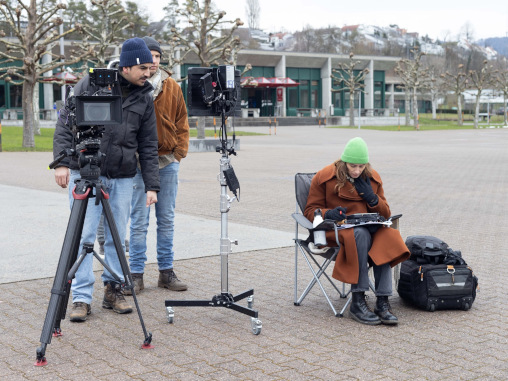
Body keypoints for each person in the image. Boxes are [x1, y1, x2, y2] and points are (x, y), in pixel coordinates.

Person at [53, 37, 160, 322]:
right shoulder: (89, 85)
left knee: (115, 237)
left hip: (123, 177)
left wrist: (152, 185)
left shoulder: (145, 97)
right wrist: (62, 163)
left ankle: (114, 290)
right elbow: (65, 123)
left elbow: (149, 144)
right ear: (128, 66)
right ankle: (81, 297)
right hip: (84, 171)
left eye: (151, 68)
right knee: (84, 236)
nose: (149, 74)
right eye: (145, 68)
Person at [304, 137, 409, 325]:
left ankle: (383, 302)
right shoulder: (324, 177)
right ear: (344, 163)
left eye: (361, 166)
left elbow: (386, 213)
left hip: (368, 229)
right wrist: (330, 213)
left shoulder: (372, 177)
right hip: (336, 231)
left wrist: (372, 198)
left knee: (387, 235)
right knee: (359, 234)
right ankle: (358, 300)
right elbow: (310, 211)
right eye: (353, 166)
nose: (357, 171)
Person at [126, 36, 190, 295]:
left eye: (157, 57)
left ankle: (166, 272)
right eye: (148, 56)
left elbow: (182, 119)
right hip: (138, 165)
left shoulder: (171, 85)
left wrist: (179, 153)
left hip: (167, 162)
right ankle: (136, 274)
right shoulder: (132, 85)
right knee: (139, 221)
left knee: (166, 220)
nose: (152, 61)